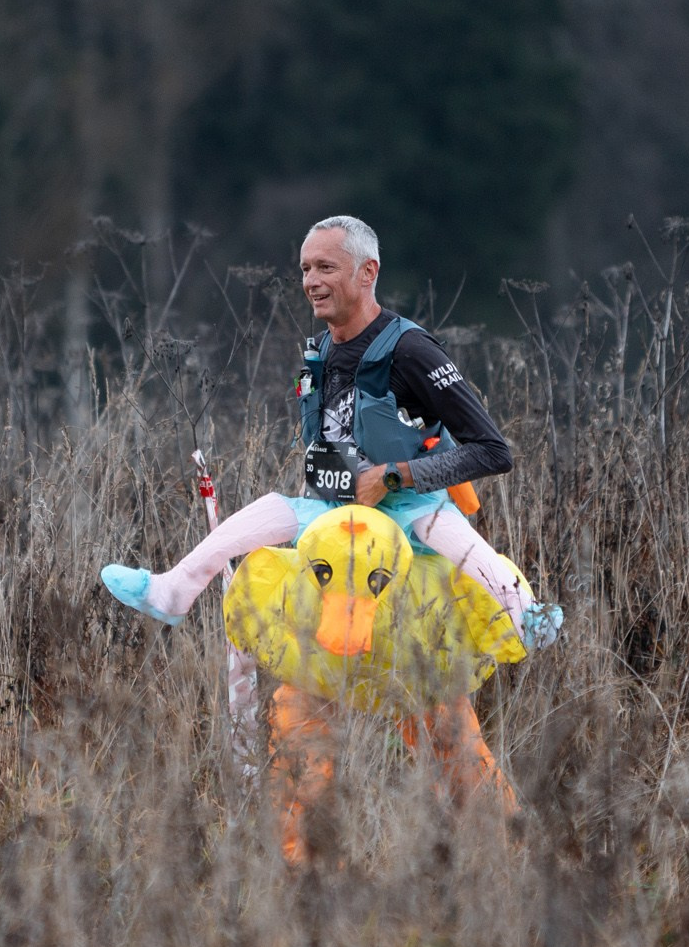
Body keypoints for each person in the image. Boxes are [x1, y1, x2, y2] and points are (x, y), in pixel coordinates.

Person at [101, 215, 560, 648]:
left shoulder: (413, 350)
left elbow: (493, 452)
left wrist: (392, 476)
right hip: (333, 508)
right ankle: (170, 592)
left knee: (483, 568)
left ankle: (529, 617)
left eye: (326, 267)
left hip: (415, 511)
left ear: (367, 272)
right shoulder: (318, 352)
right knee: (262, 513)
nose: (311, 282)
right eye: (305, 269)